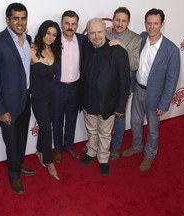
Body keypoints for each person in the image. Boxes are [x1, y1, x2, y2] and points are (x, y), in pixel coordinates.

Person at [122, 8, 180, 172]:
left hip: (157, 95)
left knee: (153, 129)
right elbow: (126, 36)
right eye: (149, 23)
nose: (152, 27)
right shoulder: (142, 37)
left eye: (155, 23)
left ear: (162, 24)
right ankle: (136, 146)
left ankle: (150, 154)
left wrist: (165, 103)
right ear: (145, 24)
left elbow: (172, 80)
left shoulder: (171, 50)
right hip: (138, 89)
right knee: (135, 122)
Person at [0, 3, 35, 195]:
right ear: (8, 19)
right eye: (16, 18)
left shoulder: (28, 38)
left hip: (26, 99)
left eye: (23, 18)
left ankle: (19, 164)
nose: (20, 22)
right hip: (8, 104)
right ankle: (13, 175)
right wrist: (1, 109)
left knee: (22, 137)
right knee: (12, 141)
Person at [79, 18, 130, 176]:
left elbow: (124, 81)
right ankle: (91, 152)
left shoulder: (117, 50)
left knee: (105, 133)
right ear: (88, 35)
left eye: (99, 32)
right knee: (92, 130)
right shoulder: (86, 47)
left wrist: (121, 106)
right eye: (92, 33)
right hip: (88, 101)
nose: (96, 36)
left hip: (107, 103)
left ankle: (103, 159)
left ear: (105, 31)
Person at [106, 7, 142, 160]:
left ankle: (115, 147)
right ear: (113, 20)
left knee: (119, 117)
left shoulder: (136, 39)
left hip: (122, 85)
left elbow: (134, 65)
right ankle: (97, 143)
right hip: (105, 84)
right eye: (117, 20)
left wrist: (123, 48)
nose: (120, 24)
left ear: (128, 22)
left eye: (123, 20)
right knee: (102, 115)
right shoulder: (105, 34)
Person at [53, 10, 88, 163]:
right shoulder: (53, 40)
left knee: (72, 119)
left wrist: (113, 37)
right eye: (67, 23)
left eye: (73, 24)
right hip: (58, 88)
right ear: (61, 24)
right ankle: (58, 149)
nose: (70, 26)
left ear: (77, 25)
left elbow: (100, 41)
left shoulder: (83, 40)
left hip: (75, 88)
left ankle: (69, 146)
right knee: (57, 120)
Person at [31, 20, 62, 180]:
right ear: (42, 32)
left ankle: (39, 151)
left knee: (46, 126)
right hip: (38, 98)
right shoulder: (31, 49)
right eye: (48, 33)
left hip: (52, 95)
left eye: (54, 34)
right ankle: (49, 162)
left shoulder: (55, 50)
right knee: (45, 128)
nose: (51, 37)